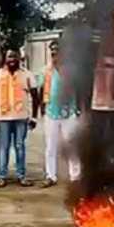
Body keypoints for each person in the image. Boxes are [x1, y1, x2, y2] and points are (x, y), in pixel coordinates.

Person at [0, 49, 39, 187]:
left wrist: (34, 117)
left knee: (20, 146)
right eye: (9, 56)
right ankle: (2, 176)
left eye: (14, 56)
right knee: (3, 147)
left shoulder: (27, 74)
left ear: (19, 58)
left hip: (21, 117)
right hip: (3, 118)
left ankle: (21, 176)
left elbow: (35, 97)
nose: (12, 59)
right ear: (5, 58)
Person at [40, 40, 82, 188]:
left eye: (57, 51)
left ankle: (75, 177)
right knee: (50, 147)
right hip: (51, 113)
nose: (54, 54)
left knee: (72, 146)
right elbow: (40, 90)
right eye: (52, 51)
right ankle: (51, 176)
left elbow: (80, 90)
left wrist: (79, 109)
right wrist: (41, 111)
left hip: (69, 113)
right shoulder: (46, 70)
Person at [91, 36, 114, 172]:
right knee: (99, 141)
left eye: (113, 42)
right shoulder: (95, 61)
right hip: (98, 107)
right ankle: (99, 171)